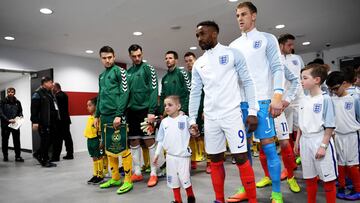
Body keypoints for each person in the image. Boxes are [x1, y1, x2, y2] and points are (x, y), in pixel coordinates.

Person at [189, 20, 258, 203]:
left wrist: (252, 111)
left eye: (202, 34)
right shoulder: (199, 64)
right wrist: (192, 120)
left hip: (232, 115)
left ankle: (253, 200)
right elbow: (195, 93)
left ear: (214, 34)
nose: (199, 38)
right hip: (211, 119)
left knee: (241, 158)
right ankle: (219, 199)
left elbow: (248, 82)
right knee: (215, 159)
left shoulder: (232, 53)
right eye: (197, 35)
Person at [228, 2, 285, 202]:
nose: (240, 18)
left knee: (268, 147)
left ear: (254, 16)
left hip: (262, 101)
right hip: (241, 104)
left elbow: (278, 68)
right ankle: (247, 189)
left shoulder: (267, 39)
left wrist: (277, 97)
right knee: (243, 151)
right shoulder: (233, 46)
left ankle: (277, 192)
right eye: (237, 15)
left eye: (243, 14)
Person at [294, 64, 337, 203]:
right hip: (305, 141)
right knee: (309, 177)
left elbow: (330, 126)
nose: (302, 81)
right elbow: (301, 124)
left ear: (317, 80)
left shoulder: (325, 99)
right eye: (301, 78)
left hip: (320, 139)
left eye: (305, 78)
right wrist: (297, 141)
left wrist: (323, 146)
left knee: (328, 179)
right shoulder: (303, 100)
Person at [94, 46, 133, 194]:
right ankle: (115, 178)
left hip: (117, 115)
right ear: (101, 59)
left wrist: (119, 114)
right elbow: (100, 96)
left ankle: (128, 180)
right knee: (109, 149)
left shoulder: (120, 72)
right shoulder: (101, 76)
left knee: (123, 148)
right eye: (104, 58)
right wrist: (97, 115)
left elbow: (125, 93)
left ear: (114, 57)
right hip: (104, 116)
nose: (107, 60)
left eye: (110, 57)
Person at [126, 44, 159, 187]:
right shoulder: (128, 72)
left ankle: (153, 173)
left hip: (146, 110)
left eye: (139, 55)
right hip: (131, 112)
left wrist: (152, 110)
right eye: (134, 56)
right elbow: (126, 93)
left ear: (142, 53)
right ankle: (138, 172)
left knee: (149, 141)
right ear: (130, 56)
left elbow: (153, 89)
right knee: (133, 141)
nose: (137, 58)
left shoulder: (148, 69)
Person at [154, 95, 196, 203]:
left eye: (170, 105)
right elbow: (161, 139)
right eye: (165, 105)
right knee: (172, 180)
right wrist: (157, 154)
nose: (166, 107)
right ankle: (177, 200)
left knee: (185, 179)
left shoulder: (185, 119)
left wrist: (193, 129)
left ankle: (191, 197)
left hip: (183, 156)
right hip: (170, 156)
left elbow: (192, 124)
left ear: (178, 106)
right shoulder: (164, 122)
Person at [326, 71, 360, 200]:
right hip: (338, 135)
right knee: (340, 163)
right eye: (331, 89)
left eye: (335, 88)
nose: (334, 91)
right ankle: (341, 185)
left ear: (344, 84)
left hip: (352, 136)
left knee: (352, 164)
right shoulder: (332, 99)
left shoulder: (354, 98)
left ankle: (358, 189)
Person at [184, 52, 209, 173]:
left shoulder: (202, 74)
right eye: (187, 61)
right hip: (190, 112)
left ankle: (209, 162)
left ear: (195, 61)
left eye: (191, 60)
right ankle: (193, 160)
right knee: (191, 136)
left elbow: (206, 94)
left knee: (204, 136)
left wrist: (205, 109)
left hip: (202, 111)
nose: (189, 63)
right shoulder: (185, 77)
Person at [31, 76, 59, 167]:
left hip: (51, 122)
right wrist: (35, 121)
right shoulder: (37, 93)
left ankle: (38, 154)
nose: (52, 84)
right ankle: (44, 160)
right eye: (51, 82)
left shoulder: (49, 93)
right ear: (45, 83)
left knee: (51, 140)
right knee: (45, 141)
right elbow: (34, 109)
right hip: (43, 122)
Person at [160, 51, 191, 115]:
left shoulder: (183, 74)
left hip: (181, 112)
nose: (168, 60)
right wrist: (162, 110)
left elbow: (189, 93)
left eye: (170, 58)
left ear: (176, 60)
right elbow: (163, 96)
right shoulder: (164, 78)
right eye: (166, 58)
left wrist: (183, 110)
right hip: (168, 113)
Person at [0, 87, 24, 162]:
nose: (10, 93)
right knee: (5, 141)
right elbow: (0, 113)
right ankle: (5, 156)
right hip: (5, 124)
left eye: (12, 92)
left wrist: (20, 116)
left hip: (15, 124)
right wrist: (8, 120)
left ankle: (18, 156)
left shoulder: (18, 102)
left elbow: (20, 111)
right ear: (7, 93)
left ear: (14, 93)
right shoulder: (2, 101)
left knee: (17, 141)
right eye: (9, 92)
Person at [84, 97, 104, 184]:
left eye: (90, 105)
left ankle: (100, 175)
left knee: (99, 157)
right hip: (89, 140)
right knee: (94, 157)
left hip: (96, 140)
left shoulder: (98, 118)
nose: (87, 107)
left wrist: (101, 141)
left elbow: (100, 131)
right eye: (87, 105)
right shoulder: (90, 117)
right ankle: (95, 174)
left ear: (96, 106)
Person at [52, 82, 74, 161]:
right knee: (67, 137)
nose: (51, 89)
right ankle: (69, 154)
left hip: (61, 121)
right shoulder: (63, 95)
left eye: (52, 87)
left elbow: (57, 109)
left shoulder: (59, 96)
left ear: (56, 87)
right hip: (65, 120)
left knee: (59, 139)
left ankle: (56, 156)